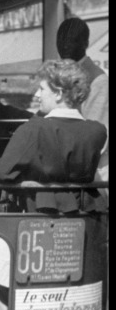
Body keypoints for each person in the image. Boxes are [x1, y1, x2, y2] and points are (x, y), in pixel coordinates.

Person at [0, 59, 107, 310]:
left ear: (59, 93)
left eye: (43, 89)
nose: (37, 95)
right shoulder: (97, 132)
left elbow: (3, 171)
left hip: (34, 220)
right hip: (79, 221)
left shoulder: (33, 130)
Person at [56, 17, 109, 195]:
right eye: (60, 39)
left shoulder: (98, 80)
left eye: (71, 40)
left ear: (85, 43)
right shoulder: (59, 72)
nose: (63, 45)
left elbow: (97, 134)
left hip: (90, 177)